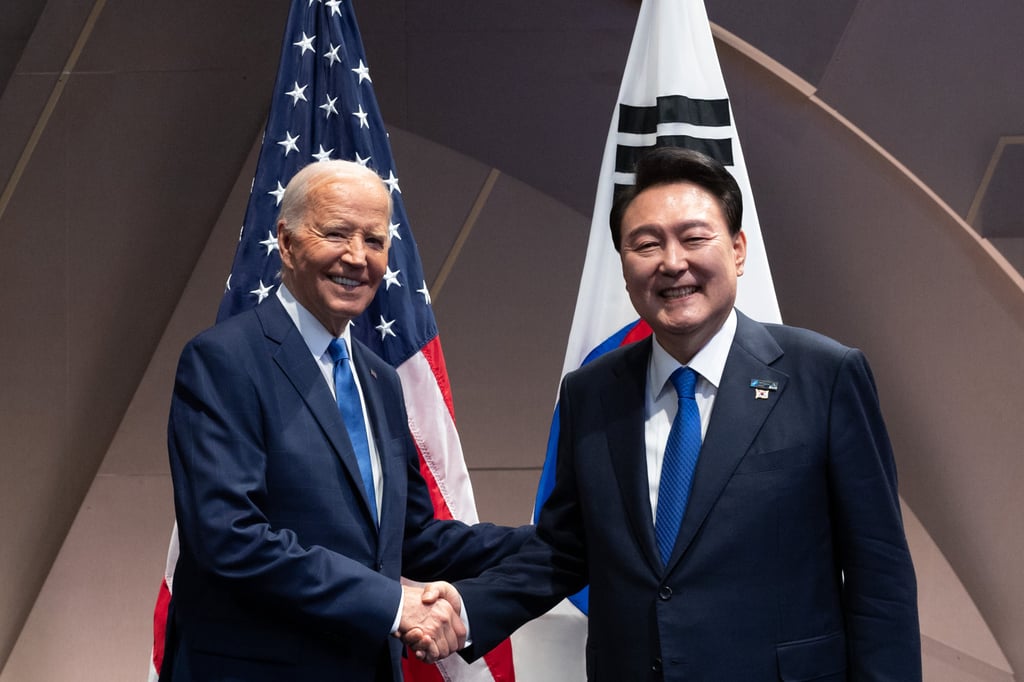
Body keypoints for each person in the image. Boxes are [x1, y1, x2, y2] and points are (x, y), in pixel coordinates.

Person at [438, 147, 921, 680]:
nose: (672, 262)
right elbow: (564, 552)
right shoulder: (591, 392)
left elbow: (881, 577)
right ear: (623, 266)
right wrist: (465, 610)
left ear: (738, 250)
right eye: (646, 244)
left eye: (694, 238)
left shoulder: (824, 376)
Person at [163, 159, 531, 681]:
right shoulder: (224, 360)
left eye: (375, 241)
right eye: (335, 233)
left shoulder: (381, 380)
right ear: (286, 243)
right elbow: (230, 537)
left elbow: (412, 538)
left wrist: (554, 539)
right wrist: (391, 605)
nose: (357, 258)